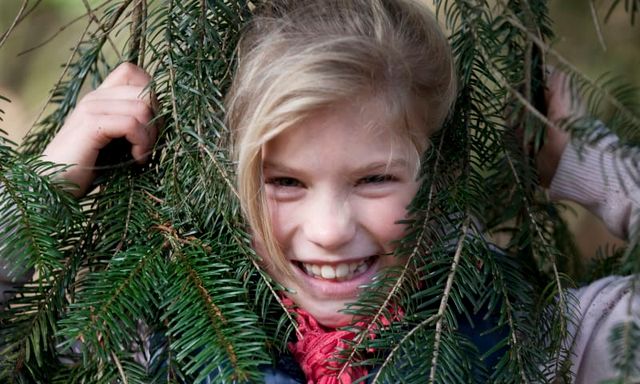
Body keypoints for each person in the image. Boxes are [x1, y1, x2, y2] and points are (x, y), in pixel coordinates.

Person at [2, 0, 638, 383]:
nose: (329, 228)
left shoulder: (534, 339)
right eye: (283, 182)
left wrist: (588, 161)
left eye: (374, 179)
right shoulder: (152, 334)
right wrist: (46, 188)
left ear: (436, 173)